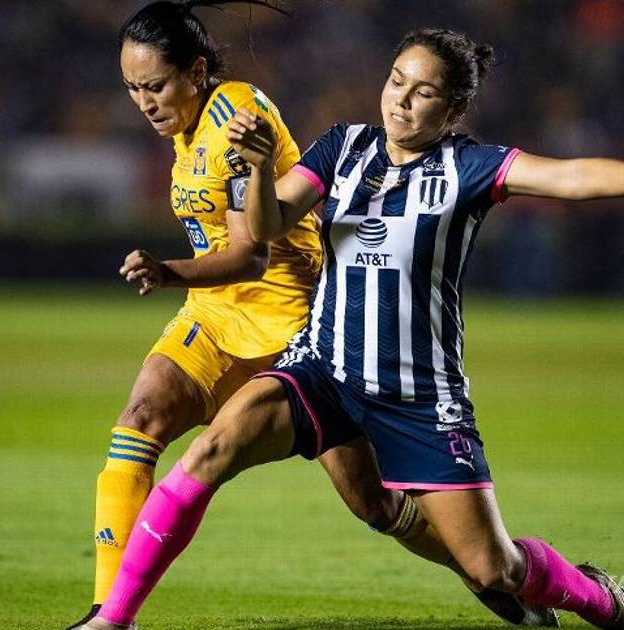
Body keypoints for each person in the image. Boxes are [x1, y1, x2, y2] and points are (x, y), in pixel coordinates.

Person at [77, 27, 624, 630]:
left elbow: (569, 176)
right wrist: (254, 166)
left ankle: (600, 599)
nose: (402, 100)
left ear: (452, 110)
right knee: (210, 451)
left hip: (418, 396)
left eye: (423, 93)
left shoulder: (469, 168)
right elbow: (270, 225)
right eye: (397, 81)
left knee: (493, 567)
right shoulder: (343, 147)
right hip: (322, 370)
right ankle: (113, 621)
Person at [69, 6, 555, 628]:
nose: (143, 102)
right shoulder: (184, 129)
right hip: (216, 315)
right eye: (132, 88)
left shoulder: (235, 120)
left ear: (195, 72)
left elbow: (250, 255)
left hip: (294, 324)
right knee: (139, 420)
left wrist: (168, 271)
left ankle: (491, 573)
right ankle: (108, 613)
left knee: (373, 503)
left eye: (154, 86)